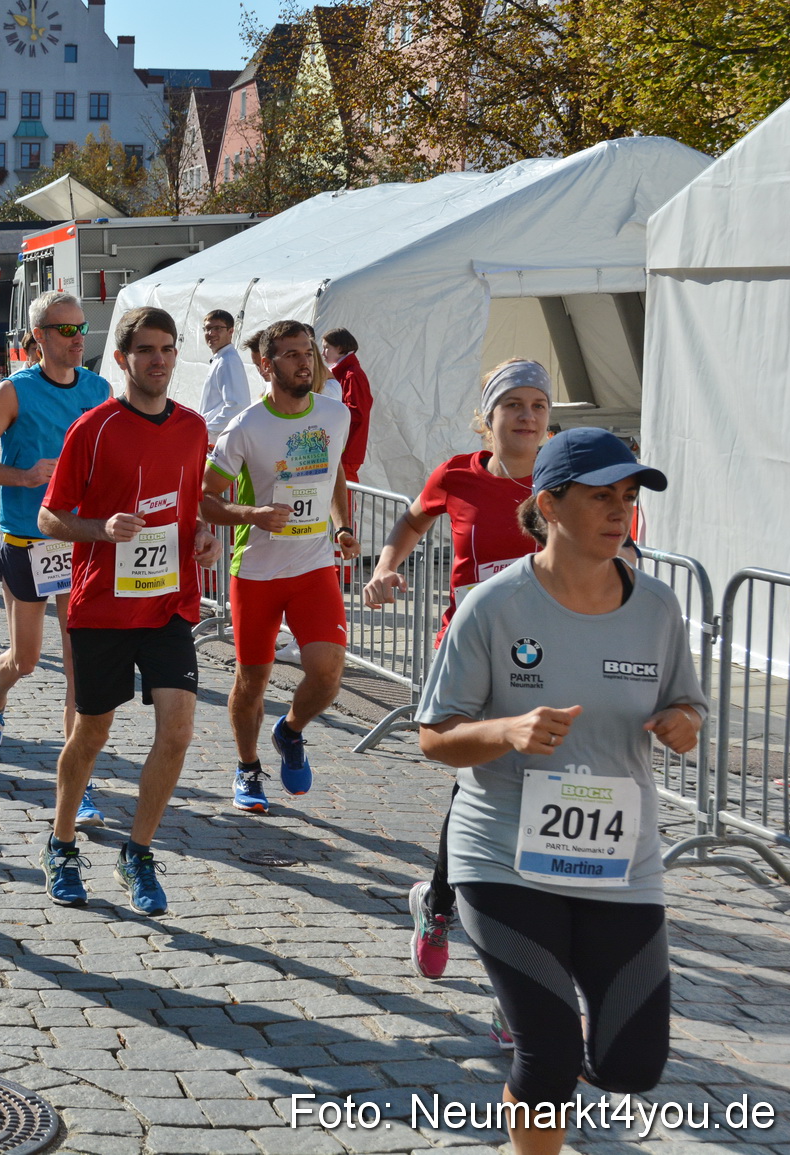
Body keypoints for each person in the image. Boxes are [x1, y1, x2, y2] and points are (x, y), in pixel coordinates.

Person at [414, 427, 703, 1155]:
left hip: (620, 864)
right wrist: (507, 731)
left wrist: (681, 722)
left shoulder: (658, 608)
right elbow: (435, 736)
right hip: (505, 859)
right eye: (601, 496)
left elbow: (690, 707)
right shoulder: (493, 606)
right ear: (548, 504)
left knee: (632, 1066)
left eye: (629, 497)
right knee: (548, 1056)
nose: (620, 511)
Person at [362, 359, 552, 985]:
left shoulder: (563, 482)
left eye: (537, 406)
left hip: (545, 656)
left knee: (521, 792)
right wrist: (388, 566)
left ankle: (447, 905)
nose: (527, 417)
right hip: (468, 653)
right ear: (488, 418)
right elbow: (414, 519)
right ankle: (455, 914)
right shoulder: (458, 476)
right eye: (514, 406)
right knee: (481, 780)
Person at [36, 308, 220, 915]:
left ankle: (137, 851)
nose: (159, 360)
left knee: (178, 730)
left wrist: (201, 536)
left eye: (167, 349)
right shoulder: (93, 429)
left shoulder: (194, 430)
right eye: (146, 350)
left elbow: (191, 508)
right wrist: (101, 528)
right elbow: (49, 517)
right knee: (92, 733)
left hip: (170, 604)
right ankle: (62, 844)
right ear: (122, 359)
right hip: (103, 609)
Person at [202, 320, 360, 814]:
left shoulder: (336, 415)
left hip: (314, 566)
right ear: (268, 365)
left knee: (329, 673)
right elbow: (206, 498)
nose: (303, 363)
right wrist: (251, 514)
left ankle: (290, 731)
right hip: (256, 570)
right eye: (291, 355)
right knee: (252, 681)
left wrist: (342, 526)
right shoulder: (246, 427)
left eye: (307, 353)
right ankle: (248, 767)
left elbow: (334, 474)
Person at [0, 291, 109, 785]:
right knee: (26, 660)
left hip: (81, 539)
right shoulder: (14, 391)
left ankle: (77, 782)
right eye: (65, 330)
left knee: (78, 662)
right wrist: (24, 476)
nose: (77, 339)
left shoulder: (100, 389)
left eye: (81, 328)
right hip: (30, 540)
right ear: (39, 337)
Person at [322, 328, 373, 483]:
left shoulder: (352, 374)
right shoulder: (346, 372)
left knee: (345, 491)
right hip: (342, 444)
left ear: (339, 348)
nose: (323, 352)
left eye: (326, 348)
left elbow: (357, 412)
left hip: (348, 446)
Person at [196, 310, 254, 444]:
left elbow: (237, 406)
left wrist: (207, 430)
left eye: (217, 328)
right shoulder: (221, 358)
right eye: (207, 328)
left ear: (230, 331)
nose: (211, 333)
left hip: (220, 441)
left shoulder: (227, 361)